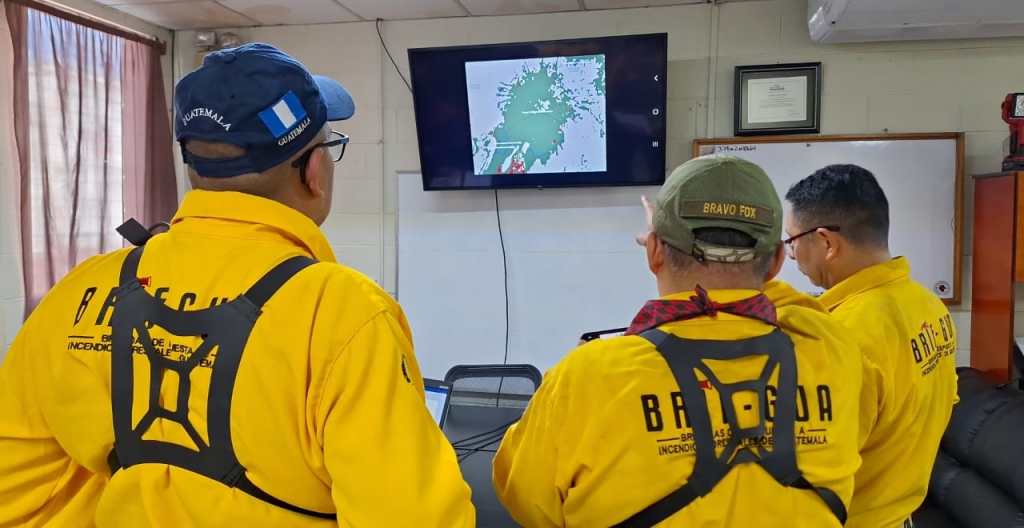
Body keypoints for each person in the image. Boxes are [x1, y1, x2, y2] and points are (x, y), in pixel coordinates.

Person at [0, 43, 475, 527]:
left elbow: (14, 482)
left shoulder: (82, 290)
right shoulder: (343, 314)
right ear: (314, 171)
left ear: (195, 169)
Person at [493, 156, 868, 527]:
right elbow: (786, 305)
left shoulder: (587, 376)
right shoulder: (832, 346)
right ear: (775, 264)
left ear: (654, 252)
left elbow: (526, 500)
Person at [784, 164, 958, 528]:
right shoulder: (926, 304)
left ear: (827, 243)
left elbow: (812, 471)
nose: (790, 255)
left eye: (792, 242)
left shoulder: (842, 336)